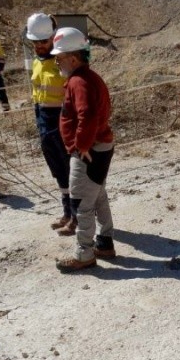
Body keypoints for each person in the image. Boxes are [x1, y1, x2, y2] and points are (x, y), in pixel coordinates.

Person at [52, 27, 116, 272]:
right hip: (99, 145)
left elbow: (86, 115)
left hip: (89, 150)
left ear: (73, 58)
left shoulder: (79, 82)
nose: (57, 62)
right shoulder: (90, 78)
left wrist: (82, 145)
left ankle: (84, 253)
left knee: (82, 203)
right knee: (98, 195)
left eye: (59, 58)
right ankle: (105, 243)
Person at [26, 13, 76, 235]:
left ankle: (78, 216)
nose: (39, 46)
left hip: (62, 121)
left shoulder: (62, 60)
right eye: (35, 42)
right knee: (58, 171)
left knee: (71, 169)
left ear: (52, 37)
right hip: (43, 121)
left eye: (43, 41)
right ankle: (67, 212)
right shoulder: (37, 61)